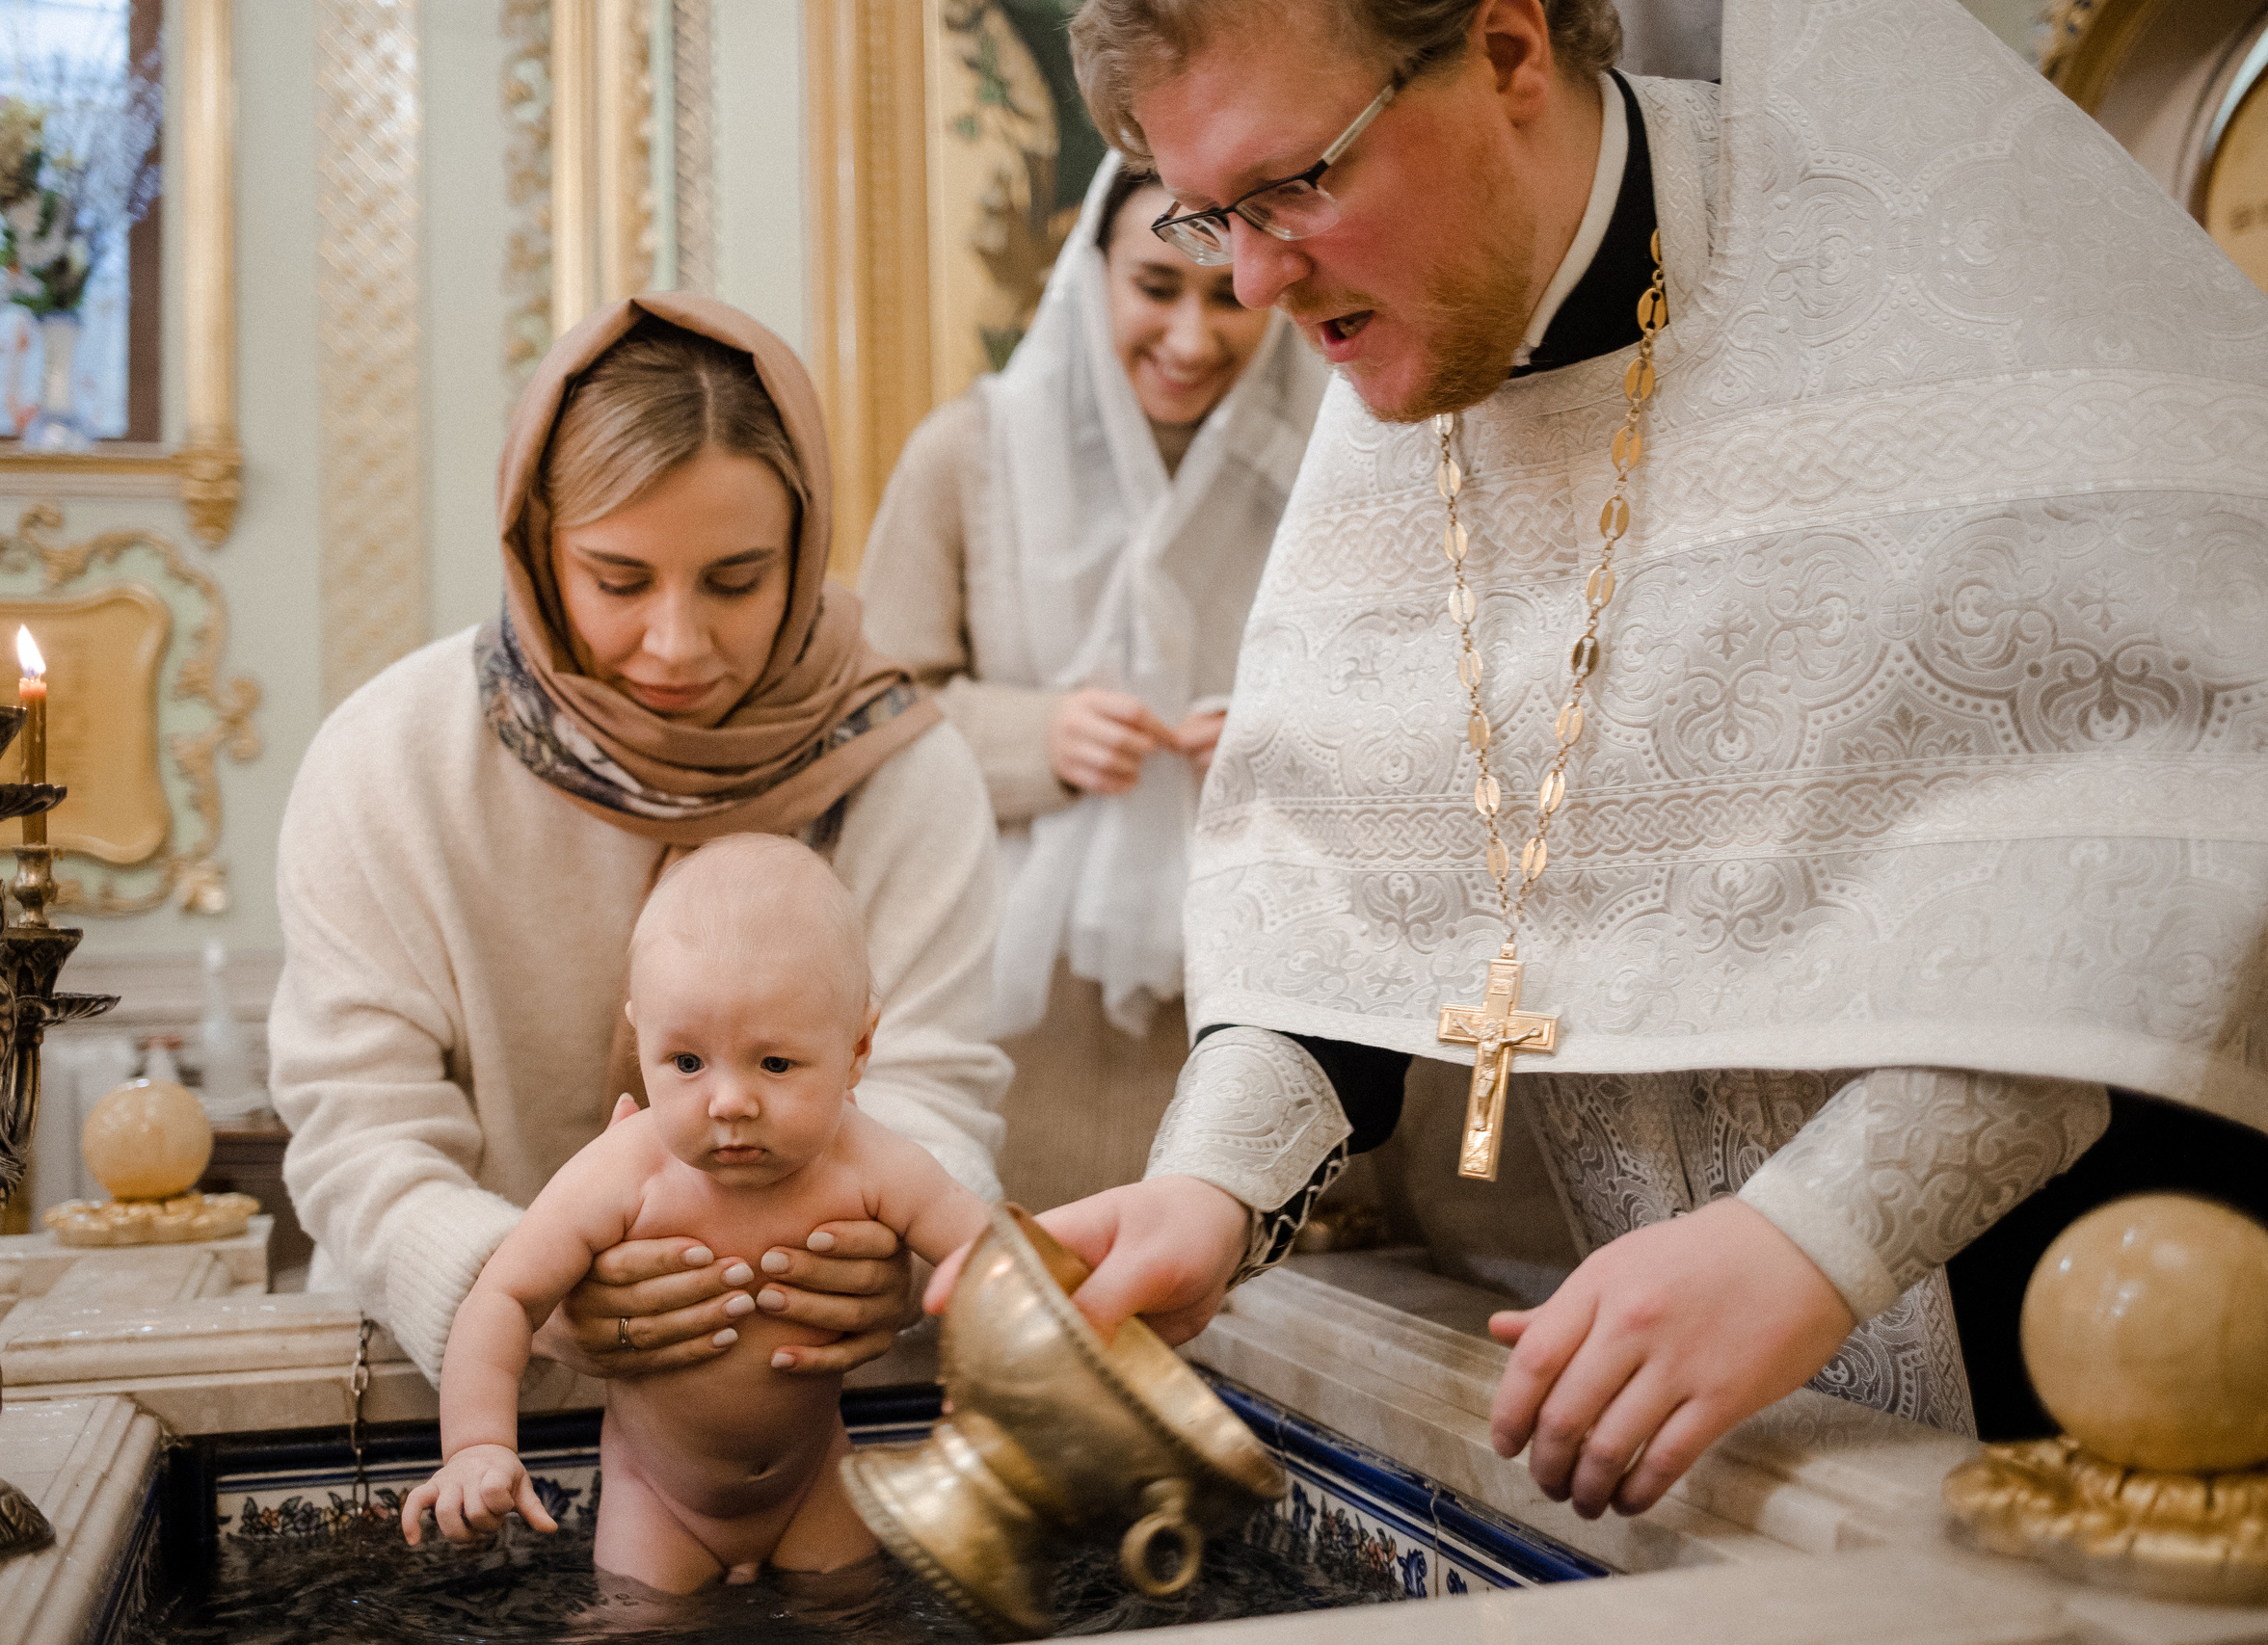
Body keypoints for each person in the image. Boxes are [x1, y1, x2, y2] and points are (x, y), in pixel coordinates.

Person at [930, 0, 2268, 1524]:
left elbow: (2167, 827)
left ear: (1507, 51)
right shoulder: (1406, 347)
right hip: (1695, 1429)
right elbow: (1345, 892)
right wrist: (1208, 1191)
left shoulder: (1943, 275)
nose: (1250, 280)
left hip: (2116, 1376)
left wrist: (1815, 1234)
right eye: (1210, 212)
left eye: (1296, 182)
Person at [274, 294, 1009, 1394]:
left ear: (803, 552)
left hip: (794, 1399)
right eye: (619, 581)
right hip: (456, 1401)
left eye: (736, 580)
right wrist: (513, 1281)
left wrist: (886, 1260)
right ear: (537, 548)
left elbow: (927, 1090)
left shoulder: (901, 771)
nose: (677, 643)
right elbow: (359, 1134)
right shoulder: (388, 764)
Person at [857, 155, 1324, 1209]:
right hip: (1011, 1008)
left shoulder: (1329, 459)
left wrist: (1271, 734)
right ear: (1089, 273)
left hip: (1251, 996)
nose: (1190, 339)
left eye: (1224, 295)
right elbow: (864, 720)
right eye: (1155, 288)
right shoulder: (967, 456)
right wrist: (1040, 736)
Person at [403, 836, 988, 1590]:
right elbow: (504, 1295)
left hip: (815, 1485)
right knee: (639, 1620)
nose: (730, 1100)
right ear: (640, 1035)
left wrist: (1001, 1365)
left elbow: (989, 1253)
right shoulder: (624, 1172)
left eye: (775, 1062)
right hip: (658, 1501)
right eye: (685, 1062)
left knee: (855, 1614)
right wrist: (479, 1443)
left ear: (858, 1047)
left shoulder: (871, 1163)